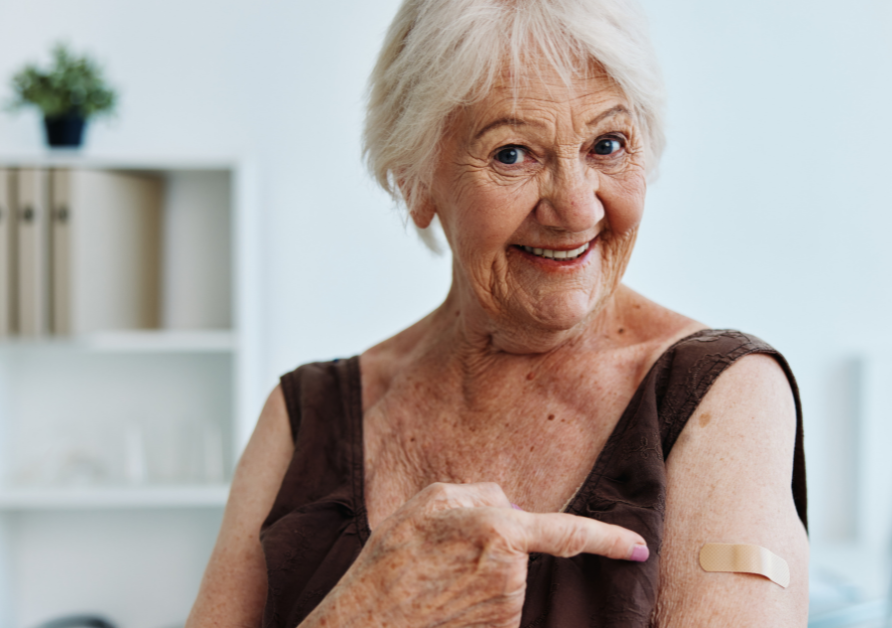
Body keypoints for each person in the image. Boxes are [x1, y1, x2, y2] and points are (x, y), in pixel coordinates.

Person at [186, 0, 808, 626]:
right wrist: (366, 615)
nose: (576, 209)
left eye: (608, 144)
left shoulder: (722, 395)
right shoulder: (303, 417)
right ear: (414, 181)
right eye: (513, 154)